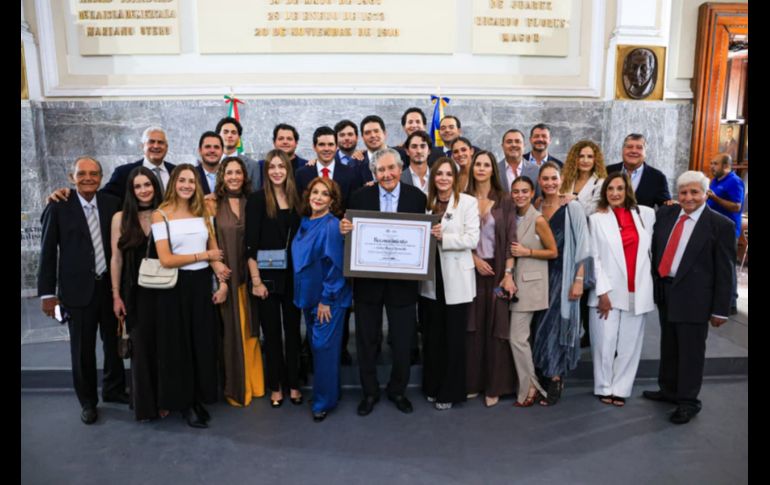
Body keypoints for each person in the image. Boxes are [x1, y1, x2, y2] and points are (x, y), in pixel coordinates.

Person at [38, 157, 128, 425]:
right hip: (75, 293)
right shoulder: (58, 206)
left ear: (101, 177)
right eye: (82, 173)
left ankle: (113, 389)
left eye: (93, 174)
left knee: (113, 344)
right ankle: (88, 401)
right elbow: (47, 253)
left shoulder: (113, 204)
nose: (88, 178)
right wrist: (47, 295)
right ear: (71, 176)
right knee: (82, 349)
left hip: (109, 288)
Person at [339, 148, 427, 416]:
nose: (386, 174)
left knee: (402, 342)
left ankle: (397, 390)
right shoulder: (359, 197)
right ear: (374, 173)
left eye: (391, 168)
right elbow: (353, 237)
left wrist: (432, 232)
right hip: (368, 283)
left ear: (400, 169)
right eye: (381, 170)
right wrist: (346, 231)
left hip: (403, 283)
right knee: (367, 341)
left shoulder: (417, 198)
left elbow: (421, 238)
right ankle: (370, 392)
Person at [644, 171, 735, 424]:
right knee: (669, 345)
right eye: (684, 192)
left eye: (695, 192)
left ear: (706, 194)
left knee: (691, 351)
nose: (689, 197)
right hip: (666, 290)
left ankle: (688, 401)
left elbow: (725, 272)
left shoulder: (720, 225)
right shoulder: (666, 214)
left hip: (696, 297)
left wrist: (721, 309)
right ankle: (669, 390)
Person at [151, 163, 225, 428]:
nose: (186, 185)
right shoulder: (161, 215)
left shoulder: (203, 210)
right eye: (181, 180)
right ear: (173, 183)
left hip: (202, 284)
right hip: (176, 287)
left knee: (203, 343)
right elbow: (167, 259)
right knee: (179, 346)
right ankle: (186, 404)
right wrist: (204, 256)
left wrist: (222, 281)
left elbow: (214, 249)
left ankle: (200, 397)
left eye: (191, 181)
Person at [588, 173, 656, 407]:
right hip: (607, 290)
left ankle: (621, 388)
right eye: (610, 189)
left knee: (629, 344)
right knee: (604, 343)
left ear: (628, 191)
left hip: (637, 289)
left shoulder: (645, 214)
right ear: (605, 192)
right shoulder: (596, 219)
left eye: (620, 188)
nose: (615, 193)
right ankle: (604, 386)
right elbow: (593, 257)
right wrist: (602, 292)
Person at [531, 162, 593, 406]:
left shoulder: (572, 207)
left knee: (556, 327)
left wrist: (579, 279)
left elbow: (584, 245)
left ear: (561, 179)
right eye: (545, 179)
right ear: (538, 180)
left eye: (553, 178)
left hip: (563, 275)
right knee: (539, 327)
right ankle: (543, 373)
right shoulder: (536, 205)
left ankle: (555, 378)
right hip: (537, 274)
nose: (549, 183)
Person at [420, 157, 480, 410]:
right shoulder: (425, 203)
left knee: (454, 339)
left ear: (455, 179)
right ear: (433, 178)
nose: (443, 178)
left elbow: (472, 239)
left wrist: (445, 236)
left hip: (456, 278)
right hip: (431, 279)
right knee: (433, 337)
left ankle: (451, 391)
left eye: (448, 174)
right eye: (439, 174)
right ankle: (433, 386)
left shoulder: (467, 202)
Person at [205, 157, 265, 407]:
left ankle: (256, 383)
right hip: (226, 278)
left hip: (251, 277)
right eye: (228, 173)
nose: (233, 177)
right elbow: (208, 239)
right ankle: (237, 388)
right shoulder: (211, 204)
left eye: (238, 173)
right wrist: (217, 269)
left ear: (245, 176)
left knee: (251, 330)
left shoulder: (252, 202)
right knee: (231, 333)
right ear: (222, 176)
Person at [246, 149, 303, 408]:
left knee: (292, 332)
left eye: (281, 166)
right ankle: (276, 387)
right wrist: (256, 281)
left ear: (288, 170)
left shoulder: (298, 199)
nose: (277, 171)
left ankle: (294, 384)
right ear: (266, 171)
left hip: (293, 276)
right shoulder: (257, 200)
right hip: (265, 278)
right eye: (272, 167)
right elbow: (250, 245)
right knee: (271, 333)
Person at [292, 177, 352, 422]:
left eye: (324, 194)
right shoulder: (306, 221)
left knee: (322, 347)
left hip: (328, 299)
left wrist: (327, 299)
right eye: (314, 192)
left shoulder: (331, 225)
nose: (317, 197)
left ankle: (322, 402)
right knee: (319, 348)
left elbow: (336, 267)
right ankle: (327, 392)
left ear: (332, 200)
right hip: (309, 295)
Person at [109, 166, 164, 421]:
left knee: (163, 347)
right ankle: (145, 405)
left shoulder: (165, 214)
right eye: (138, 186)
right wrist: (116, 295)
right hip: (134, 294)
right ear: (131, 191)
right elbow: (116, 259)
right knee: (140, 349)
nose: (144, 190)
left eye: (148, 185)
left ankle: (165, 399)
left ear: (155, 186)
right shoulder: (120, 218)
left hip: (165, 290)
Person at [464, 151, 517, 408]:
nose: (482, 168)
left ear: (492, 170)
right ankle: (473, 382)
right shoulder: (462, 199)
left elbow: (510, 240)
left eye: (486, 164)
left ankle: (494, 386)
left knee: (497, 326)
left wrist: (507, 274)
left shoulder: (504, 200)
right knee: (473, 326)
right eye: (478, 164)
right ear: (472, 168)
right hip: (470, 272)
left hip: (496, 275)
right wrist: (473, 258)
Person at [508, 176, 556, 407]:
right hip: (515, 284)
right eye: (516, 191)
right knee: (521, 338)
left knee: (517, 338)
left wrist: (527, 252)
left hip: (531, 285)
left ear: (531, 192)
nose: (520, 195)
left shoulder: (538, 219)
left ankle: (530, 388)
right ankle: (530, 385)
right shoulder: (513, 216)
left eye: (524, 191)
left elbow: (553, 252)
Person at [46, 126, 176, 205]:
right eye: (151, 142)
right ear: (142, 146)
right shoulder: (124, 173)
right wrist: (71, 195)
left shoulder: (176, 172)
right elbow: (101, 198)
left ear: (167, 147)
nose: (156, 146)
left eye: (160, 143)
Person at [707, 152, 744, 313]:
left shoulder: (735, 182)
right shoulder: (715, 180)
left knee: (727, 266)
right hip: (712, 228)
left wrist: (715, 199)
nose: (712, 166)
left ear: (726, 166)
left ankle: (731, 303)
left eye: (715, 164)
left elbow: (737, 206)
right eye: (712, 163)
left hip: (728, 230)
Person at [606, 134, 672, 209]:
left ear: (645, 152)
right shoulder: (607, 172)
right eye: (629, 147)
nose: (634, 151)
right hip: (609, 220)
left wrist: (672, 205)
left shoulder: (657, 177)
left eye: (639, 148)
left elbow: (666, 205)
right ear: (622, 150)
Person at [559, 140, 608, 216]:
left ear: (595, 160)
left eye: (590, 157)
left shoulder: (601, 183)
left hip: (588, 226)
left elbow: (594, 210)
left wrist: (575, 199)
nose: (585, 160)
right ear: (574, 159)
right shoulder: (566, 179)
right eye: (581, 156)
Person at [216, 116, 262, 191]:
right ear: (218, 136)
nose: (229, 135)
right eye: (225, 132)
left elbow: (255, 195)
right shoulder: (210, 163)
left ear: (239, 138)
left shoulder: (253, 166)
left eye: (233, 132)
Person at [498, 129, 540, 194]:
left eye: (517, 141)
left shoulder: (536, 171)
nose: (513, 145)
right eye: (509, 142)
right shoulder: (494, 170)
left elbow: (539, 199)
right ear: (502, 146)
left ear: (524, 146)